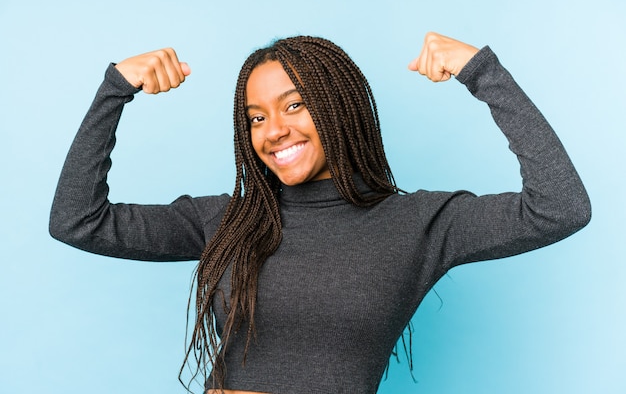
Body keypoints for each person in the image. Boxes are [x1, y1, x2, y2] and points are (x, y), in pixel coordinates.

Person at [49, 32, 591, 394]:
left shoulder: (421, 225)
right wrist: (114, 90)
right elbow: (78, 220)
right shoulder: (223, 221)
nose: (274, 130)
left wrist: (482, 72)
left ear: (338, 105)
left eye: (294, 105)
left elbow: (559, 207)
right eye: (256, 118)